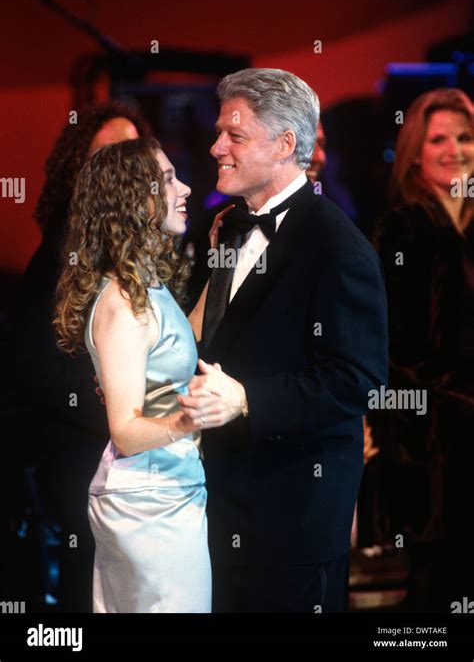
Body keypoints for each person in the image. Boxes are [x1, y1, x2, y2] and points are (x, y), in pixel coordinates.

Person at [179, 67, 388, 613]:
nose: (216, 146)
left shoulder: (338, 246)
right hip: (216, 502)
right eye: (220, 131)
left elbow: (357, 380)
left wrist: (248, 400)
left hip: (292, 519)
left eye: (235, 135)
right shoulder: (221, 228)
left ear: (286, 145)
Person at [54, 136, 212, 613]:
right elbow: (125, 427)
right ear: (132, 199)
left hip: (166, 488)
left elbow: (181, 341)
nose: (184, 188)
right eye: (166, 180)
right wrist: (192, 417)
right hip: (149, 504)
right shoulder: (121, 302)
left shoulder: (145, 283)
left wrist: (230, 264)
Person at [8, 102, 151, 611]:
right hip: (82, 469)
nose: (119, 170)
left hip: (136, 468)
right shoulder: (57, 259)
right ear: (78, 170)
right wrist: (124, 410)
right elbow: (35, 377)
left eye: (130, 157)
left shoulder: (146, 254)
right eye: (105, 157)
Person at [372, 87, 474, 611]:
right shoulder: (401, 227)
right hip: (427, 438)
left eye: (464, 136)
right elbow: (385, 343)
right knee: (433, 589)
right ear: (416, 148)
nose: (455, 149)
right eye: (439, 139)